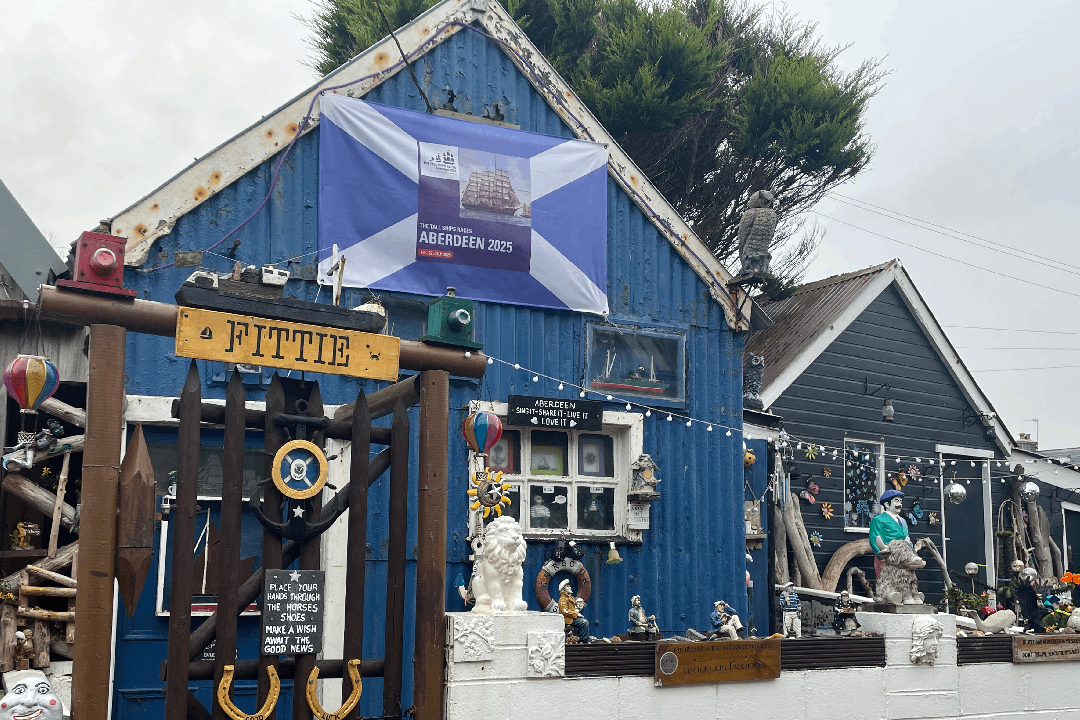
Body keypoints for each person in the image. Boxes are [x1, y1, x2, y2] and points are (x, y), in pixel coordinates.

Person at [869, 489, 911, 579]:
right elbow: (875, 540)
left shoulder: (903, 521)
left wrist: (911, 552)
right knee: (886, 586)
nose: (899, 504)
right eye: (896, 501)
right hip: (886, 560)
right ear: (887, 504)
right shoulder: (878, 520)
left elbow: (907, 539)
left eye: (900, 501)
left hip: (904, 560)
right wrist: (885, 556)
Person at [558, 579, 590, 643]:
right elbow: (564, 611)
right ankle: (583, 640)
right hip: (568, 619)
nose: (570, 588)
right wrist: (576, 614)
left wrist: (579, 606)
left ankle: (581, 638)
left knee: (582, 621)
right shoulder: (562, 599)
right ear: (563, 589)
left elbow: (574, 607)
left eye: (569, 586)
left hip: (572, 617)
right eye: (568, 586)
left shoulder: (571, 598)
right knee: (584, 622)